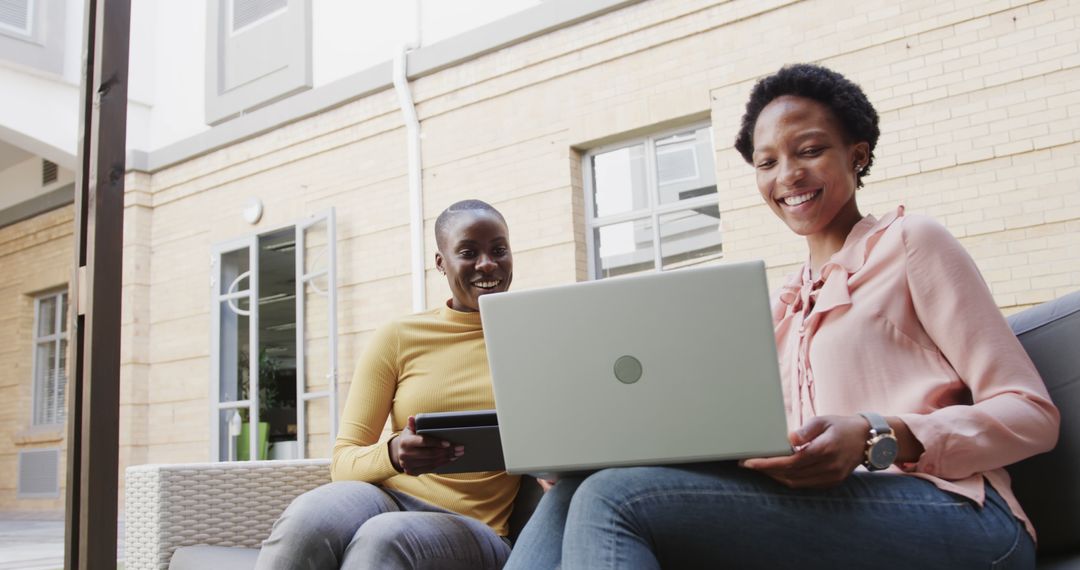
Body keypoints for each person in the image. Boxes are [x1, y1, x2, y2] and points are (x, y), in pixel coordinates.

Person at [505, 64, 1060, 569]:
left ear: (857, 155)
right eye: (767, 162)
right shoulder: (777, 307)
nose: (787, 174)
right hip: (827, 515)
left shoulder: (911, 243)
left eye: (810, 150)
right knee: (580, 487)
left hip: (962, 517)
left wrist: (877, 435)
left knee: (612, 498)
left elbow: (1032, 415)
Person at [255, 199, 520, 570]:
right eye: (468, 252)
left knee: (383, 538)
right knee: (308, 519)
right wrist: (393, 453)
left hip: (477, 527)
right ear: (441, 263)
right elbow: (343, 462)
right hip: (388, 496)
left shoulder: (531, 336)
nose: (487, 263)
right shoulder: (399, 336)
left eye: (498, 250)